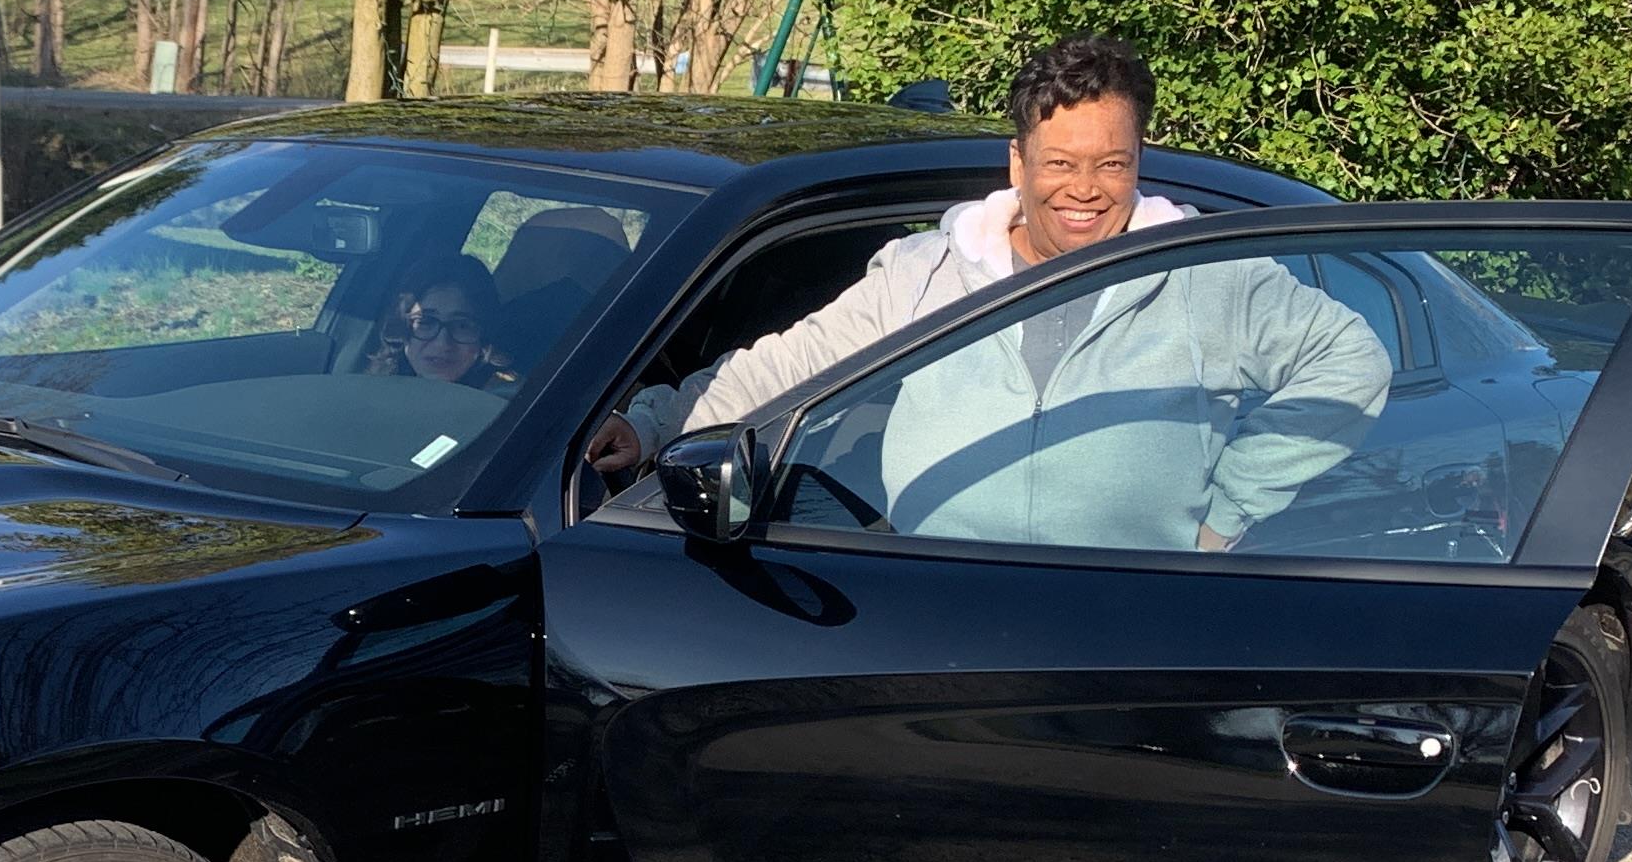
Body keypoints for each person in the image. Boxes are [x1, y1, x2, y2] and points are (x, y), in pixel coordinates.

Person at [589, 35, 1384, 553]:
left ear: (1138, 161)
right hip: (945, 604)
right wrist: (651, 424)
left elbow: (1350, 361)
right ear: (1018, 163)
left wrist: (1225, 518)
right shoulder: (926, 271)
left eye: (1111, 163)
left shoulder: (1209, 275)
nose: (1086, 189)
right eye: (1061, 162)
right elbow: (786, 367)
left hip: (1133, 620)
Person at [362, 255, 516, 389]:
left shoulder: (511, 404)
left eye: (462, 326)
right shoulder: (368, 392)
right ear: (402, 326)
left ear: (485, 336)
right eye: (426, 322)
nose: (442, 344)